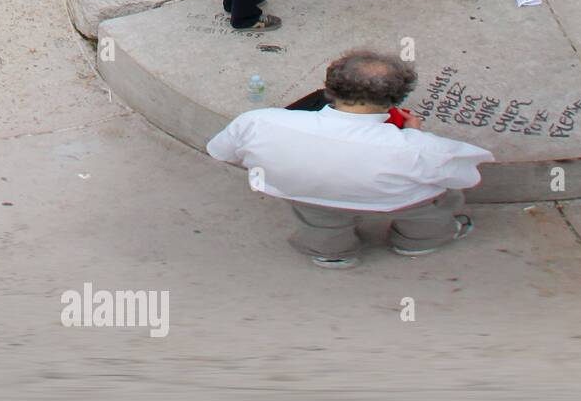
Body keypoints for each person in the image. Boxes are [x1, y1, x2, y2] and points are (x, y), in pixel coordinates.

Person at [201, 49, 490, 268]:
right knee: (436, 203)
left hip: (305, 193)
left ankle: (331, 253)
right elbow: (462, 174)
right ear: (395, 100)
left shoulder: (258, 122)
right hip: (395, 200)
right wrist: (414, 135)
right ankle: (418, 241)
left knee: (320, 221)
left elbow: (221, 150)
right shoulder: (419, 149)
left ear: (330, 89)